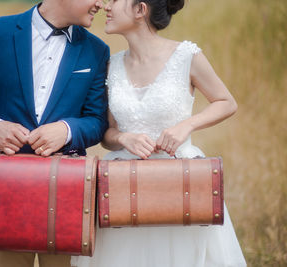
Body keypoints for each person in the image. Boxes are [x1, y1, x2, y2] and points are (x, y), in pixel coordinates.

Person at [70, 0, 247, 266]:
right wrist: (122, 138)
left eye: (117, 0)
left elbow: (226, 102)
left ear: (140, 10)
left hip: (182, 181)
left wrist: (186, 126)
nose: (107, 5)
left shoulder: (187, 56)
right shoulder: (111, 65)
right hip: (123, 188)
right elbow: (108, 133)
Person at [0, 0, 109, 266]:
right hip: (4, 189)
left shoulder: (97, 51)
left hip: (66, 193)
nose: (101, 3)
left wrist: (67, 130)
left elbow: (97, 121)